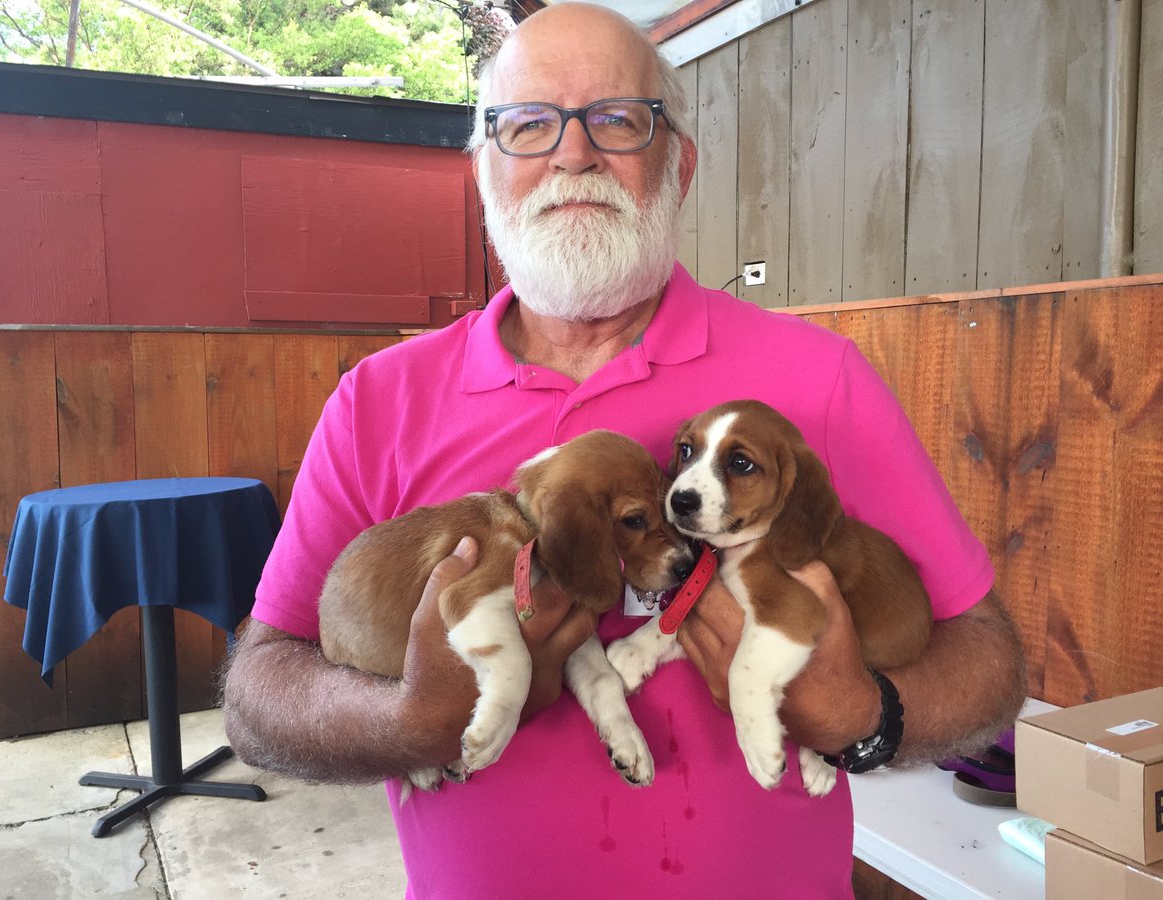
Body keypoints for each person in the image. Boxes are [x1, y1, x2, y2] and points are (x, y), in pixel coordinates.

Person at [222, 4, 1026, 897]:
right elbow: (261, 693)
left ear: (678, 162)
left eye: (617, 119)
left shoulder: (818, 379)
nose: (573, 155)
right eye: (528, 124)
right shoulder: (378, 400)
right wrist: (407, 720)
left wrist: (863, 718)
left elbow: (987, 657)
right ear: (484, 168)